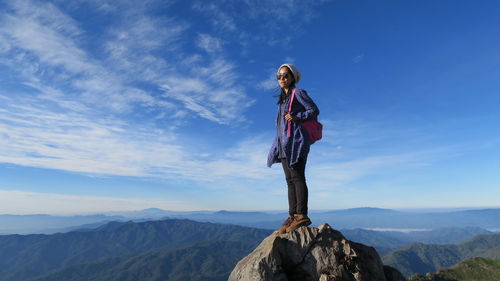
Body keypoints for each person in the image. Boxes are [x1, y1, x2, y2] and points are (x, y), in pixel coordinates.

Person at [267, 63, 320, 234]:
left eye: (285, 76)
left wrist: (298, 116)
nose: (282, 79)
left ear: (292, 78)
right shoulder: (282, 100)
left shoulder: (298, 93)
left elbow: (314, 110)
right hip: (284, 145)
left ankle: (302, 215)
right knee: (289, 180)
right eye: (279, 76)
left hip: (296, 143)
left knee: (297, 177)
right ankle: (292, 215)